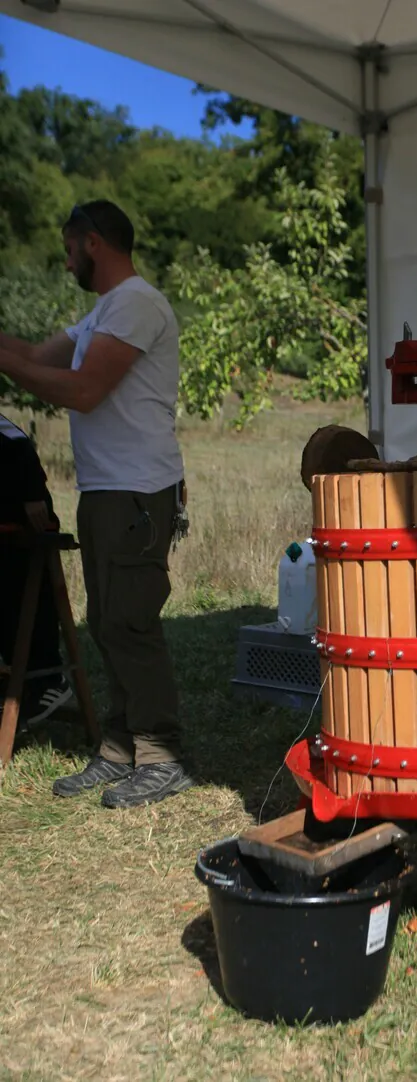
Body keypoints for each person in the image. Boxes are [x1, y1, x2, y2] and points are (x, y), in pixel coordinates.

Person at [0, 200, 192, 808]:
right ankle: (120, 747)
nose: (64, 262)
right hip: (109, 489)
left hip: (136, 490)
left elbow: (83, 392)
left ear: (92, 243)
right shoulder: (103, 313)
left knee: (131, 623)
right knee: (108, 622)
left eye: (67, 249)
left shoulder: (136, 303)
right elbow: (33, 356)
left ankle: (162, 754)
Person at [0, 413, 73, 727]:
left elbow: (14, 437)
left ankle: (48, 679)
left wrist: (31, 490)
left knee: (26, 593)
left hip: (22, 525)